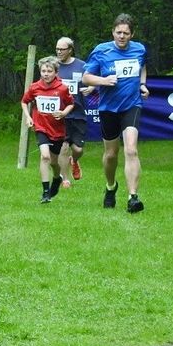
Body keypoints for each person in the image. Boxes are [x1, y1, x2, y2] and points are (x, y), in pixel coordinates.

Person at [82, 14, 149, 212]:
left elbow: (142, 66)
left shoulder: (139, 49)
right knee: (111, 154)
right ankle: (111, 186)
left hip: (132, 105)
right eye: (118, 32)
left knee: (131, 149)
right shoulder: (101, 51)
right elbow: (86, 77)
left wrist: (143, 84)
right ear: (113, 32)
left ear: (132, 34)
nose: (122, 36)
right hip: (108, 108)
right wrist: (104, 81)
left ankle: (133, 197)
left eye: (126, 33)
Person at [22, 56, 75, 203]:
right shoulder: (34, 87)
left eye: (49, 71)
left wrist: (64, 113)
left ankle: (57, 178)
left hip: (57, 129)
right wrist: (28, 117)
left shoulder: (62, 88)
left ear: (56, 72)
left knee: (54, 162)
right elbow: (24, 102)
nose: (46, 73)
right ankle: (46, 192)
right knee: (44, 156)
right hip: (41, 127)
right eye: (43, 71)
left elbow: (71, 103)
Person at [55, 37, 92, 187]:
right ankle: (65, 179)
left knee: (78, 149)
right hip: (60, 114)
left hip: (78, 113)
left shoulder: (82, 66)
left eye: (62, 49)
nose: (59, 52)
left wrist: (91, 88)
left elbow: (93, 80)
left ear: (70, 49)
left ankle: (74, 160)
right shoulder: (54, 66)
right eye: (57, 49)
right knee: (63, 146)